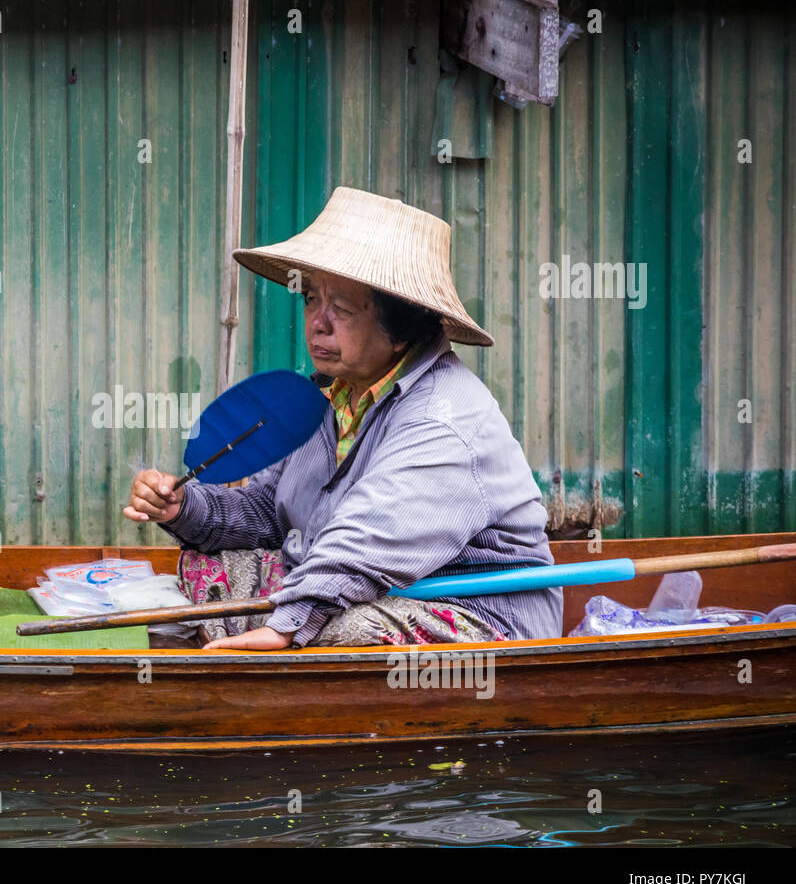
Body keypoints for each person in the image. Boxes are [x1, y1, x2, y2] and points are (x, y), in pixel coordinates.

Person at [123, 187, 562, 650]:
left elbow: (367, 539)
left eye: (343, 309)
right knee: (211, 563)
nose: (317, 322)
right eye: (312, 299)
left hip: (473, 615)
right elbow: (270, 512)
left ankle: (271, 670)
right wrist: (184, 507)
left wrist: (288, 624)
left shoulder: (445, 418)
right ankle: (258, 669)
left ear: (400, 333)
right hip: (360, 586)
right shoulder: (328, 398)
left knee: (340, 631)